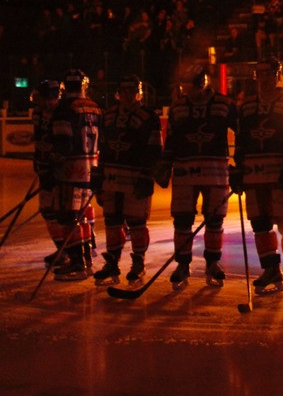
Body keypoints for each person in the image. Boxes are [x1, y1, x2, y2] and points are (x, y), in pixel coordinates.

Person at [234, 57, 283, 294]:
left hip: (281, 172)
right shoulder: (246, 106)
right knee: (260, 224)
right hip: (254, 175)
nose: (264, 78)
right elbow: (242, 140)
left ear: (278, 76)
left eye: (269, 73)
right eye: (260, 73)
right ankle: (270, 269)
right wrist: (237, 168)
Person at [158, 69, 238, 288]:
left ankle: (213, 263)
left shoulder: (224, 104)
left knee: (214, 219)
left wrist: (240, 163)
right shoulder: (179, 107)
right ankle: (183, 264)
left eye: (189, 87)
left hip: (216, 170)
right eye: (184, 87)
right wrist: (165, 162)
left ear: (202, 84)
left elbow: (243, 131)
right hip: (184, 171)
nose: (186, 92)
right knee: (182, 220)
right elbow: (171, 139)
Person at [93, 75, 163, 284]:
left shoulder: (149, 117)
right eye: (123, 91)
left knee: (137, 223)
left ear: (138, 93)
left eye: (131, 91)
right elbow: (102, 147)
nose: (127, 95)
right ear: (118, 92)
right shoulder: (108, 115)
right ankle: (112, 262)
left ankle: (138, 263)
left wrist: (147, 175)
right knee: (112, 222)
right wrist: (98, 174)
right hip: (112, 178)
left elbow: (155, 149)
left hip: (136, 179)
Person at [49, 69, 103, 281]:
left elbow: (62, 143)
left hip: (70, 171)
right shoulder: (95, 106)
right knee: (81, 216)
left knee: (67, 217)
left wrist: (52, 161)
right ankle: (87, 257)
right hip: (92, 168)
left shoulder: (63, 109)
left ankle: (77, 263)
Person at [32, 79, 64, 269]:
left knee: (63, 211)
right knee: (47, 210)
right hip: (45, 168)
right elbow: (38, 139)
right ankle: (61, 248)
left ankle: (69, 249)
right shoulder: (38, 114)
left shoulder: (60, 114)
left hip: (58, 170)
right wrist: (37, 160)